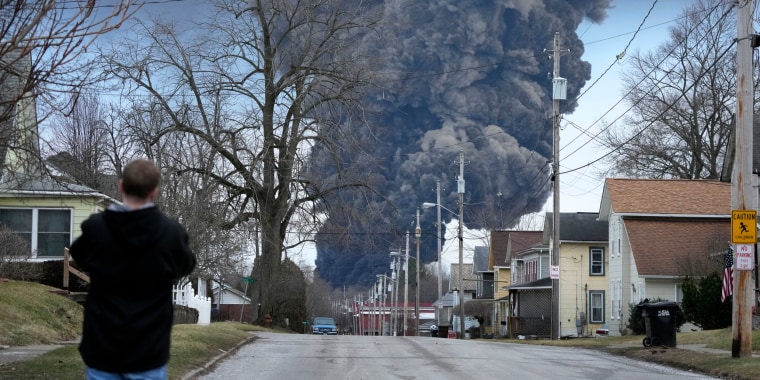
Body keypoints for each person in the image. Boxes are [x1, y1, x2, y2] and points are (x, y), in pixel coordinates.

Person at [70, 158, 196, 380]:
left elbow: (79, 255)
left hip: (102, 349)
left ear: (121, 186)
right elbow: (185, 265)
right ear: (154, 191)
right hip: (148, 352)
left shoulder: (96, 229)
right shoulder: (170, 234)